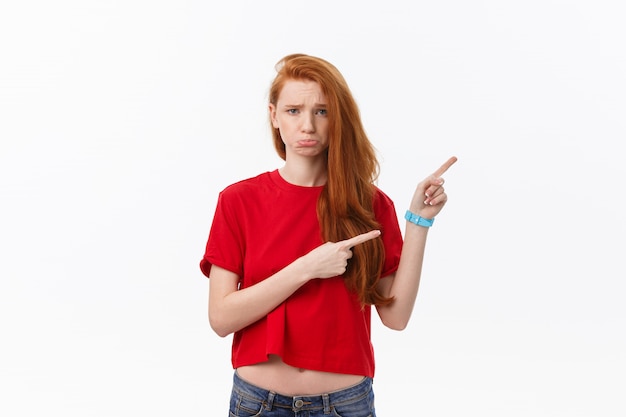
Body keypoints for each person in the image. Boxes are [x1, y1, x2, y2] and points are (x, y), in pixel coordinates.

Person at [200, 53, 457, 417]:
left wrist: (418, 223)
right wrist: (306, 268)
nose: (307, 125)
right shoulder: (238, 201)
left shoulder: (369, 204)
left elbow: (396, 317)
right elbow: (221, 318)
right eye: (293, 111)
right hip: (258, 403)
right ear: (274, 116)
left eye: (321, 111)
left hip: (343, 404)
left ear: (338, 118)